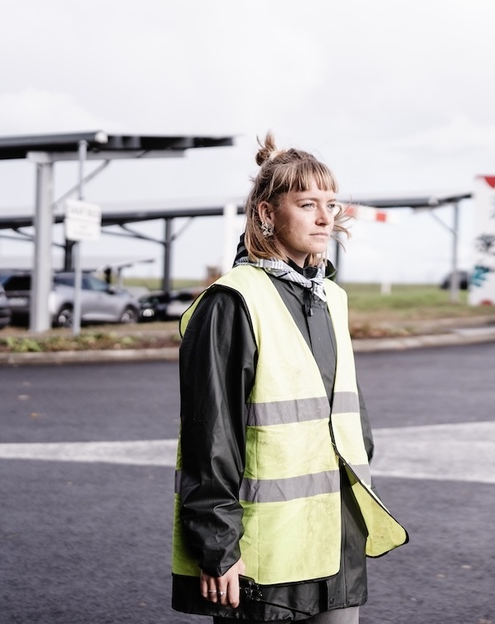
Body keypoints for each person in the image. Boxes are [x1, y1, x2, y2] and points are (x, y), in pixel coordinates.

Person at [171, 132, 408, 623]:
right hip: (266, 556)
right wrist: (217, 547)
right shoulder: (232, 302)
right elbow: (209, 437)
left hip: (336, 545)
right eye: (307, 204)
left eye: (331, 204)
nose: (326, 217)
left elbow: (348, 419)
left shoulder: (329, 299)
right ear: (266, 213)